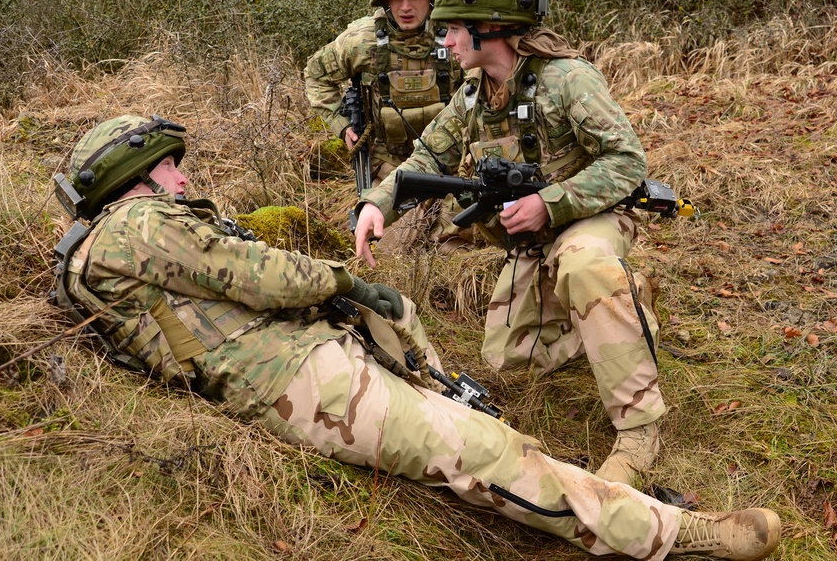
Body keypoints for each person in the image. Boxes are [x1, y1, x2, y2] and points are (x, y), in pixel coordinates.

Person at [52, 114, 781, 561]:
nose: (182, 179)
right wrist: (342, 279)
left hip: (291, 363)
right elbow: (264, 276)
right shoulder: (139, 224)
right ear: (134, 174)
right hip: (296, 380)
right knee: (485, 454)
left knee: (431, 368)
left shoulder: (105, 248)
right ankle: (678, 537)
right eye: (169, 166)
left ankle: (477, 414)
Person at [353, 0, 668, 487]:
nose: (446, 39)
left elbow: (627, 161)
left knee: (584, 263)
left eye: (454, 28)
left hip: (592, 218)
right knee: (511, 361)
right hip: (529, 243)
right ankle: (624, 305)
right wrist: (377, 205)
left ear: (489, 27)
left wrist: (551, 202)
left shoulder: (568, 79)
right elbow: (428, 156)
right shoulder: (474, 94)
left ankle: (639, 430)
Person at [304, 0, 468, 251]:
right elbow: (315, 75)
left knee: (454, 247)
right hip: (390, 167)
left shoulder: (456, 35)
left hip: (453, 164)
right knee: (387, 252)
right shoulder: (361, 41)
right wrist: (342, 126)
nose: (405, 7)